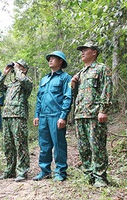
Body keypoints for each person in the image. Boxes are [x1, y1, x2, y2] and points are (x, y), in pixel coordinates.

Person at [71, 41, 112, 187]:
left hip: (95, 114)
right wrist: (73, 83)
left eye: (85, 50)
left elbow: (107, 89)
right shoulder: (81, 73)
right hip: (80, 114)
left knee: (98, 146)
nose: (82, 53)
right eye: (81, 50)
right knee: (83, 147)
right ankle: (88, 174)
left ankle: (100, 177)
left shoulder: (102, 69)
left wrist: (103, 110)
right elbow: (76, 95)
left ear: (94, 52)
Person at [33, 51, 72, 182]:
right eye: (49, 58)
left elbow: (68, 97)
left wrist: (63, 116)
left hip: (56, 116)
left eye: (53, 58)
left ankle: (60, 172)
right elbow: (39, 98)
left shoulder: (66, 78)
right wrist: (36, 115)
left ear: (60, 61)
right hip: (43, 116)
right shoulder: (44, 79)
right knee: (44, 145)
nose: (50, 60)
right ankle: (45, 171)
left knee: (59, 144)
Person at [0, 59, 33, 182]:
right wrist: (5, 73)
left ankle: (22, 171)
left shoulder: (26, 82)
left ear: (25, 69)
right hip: (7, 116)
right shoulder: (11, 84)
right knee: (8, 145)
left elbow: (23, 80)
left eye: (20, 66)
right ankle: (10, 170)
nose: (16, 67)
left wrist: (17, 69)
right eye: (16, 66)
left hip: (19, 116)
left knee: (20, 144)